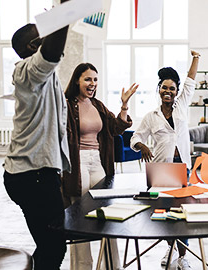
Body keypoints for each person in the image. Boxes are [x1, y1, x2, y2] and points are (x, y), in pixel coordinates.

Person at [3, 12, 71, 270]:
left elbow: (54, 53)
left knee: (48, 243)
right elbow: (52, 53)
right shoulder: (27, 72)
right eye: (46, 33)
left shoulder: (45, 74)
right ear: (33, 47)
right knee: (55, 245)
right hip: (31, 177)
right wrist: (67, 10)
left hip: (37, 174)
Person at [62, 63, 138, 270]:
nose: (92, 83)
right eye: (87, 79)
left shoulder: (97, 105)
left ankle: (112, 266)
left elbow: (116, 128)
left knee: (107, 213)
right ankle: (82, 267)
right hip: (77, 164)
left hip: (97, 161)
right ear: (77, 80)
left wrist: (124, 105)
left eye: (95, 79)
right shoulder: (67, 104)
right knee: (80, 217)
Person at [130, 50, 200, 270]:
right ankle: (169, 250)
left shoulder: (182, 105)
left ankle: (183, 255)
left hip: (182, 169)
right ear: (158, 90)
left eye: (172, 88)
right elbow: (136, 137)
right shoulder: (151, 117)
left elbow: (190, 81)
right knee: (164, 213)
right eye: (164, 87)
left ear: (177, 91)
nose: (168, 91)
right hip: (160, 170)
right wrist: (141, 146)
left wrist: (195, 58)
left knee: (182, 213)